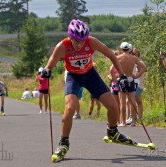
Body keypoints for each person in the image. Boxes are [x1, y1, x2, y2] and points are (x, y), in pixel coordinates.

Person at [41, 19, 135, 162]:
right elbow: (52, 61)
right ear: (70, 38)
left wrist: (121, 74)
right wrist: (47, 70)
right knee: (70, 108)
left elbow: (111, 55)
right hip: (73, 77)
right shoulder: (63, 46)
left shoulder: (91, 42)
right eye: (77, 41)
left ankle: (112, 132)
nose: (80, 44)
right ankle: (63, 143)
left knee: (112, 106)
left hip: (90, 75)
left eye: (82, 40)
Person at [113, 42, 147, 127]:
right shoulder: (134, 58)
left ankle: (123, 122)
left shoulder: (118, 58)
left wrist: (115, 80)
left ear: (121, 49)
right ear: (129, 49)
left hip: (122, 80)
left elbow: (111, 69)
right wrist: (137, 76)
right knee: (132, 102)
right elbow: (144, 68)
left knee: (123, 102)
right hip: (131, 80)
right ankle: (133, 122)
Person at [126, 48, 147, 125]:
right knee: (139, 102)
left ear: (137, 54)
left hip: (138, 84)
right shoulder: (135, 61)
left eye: (133, 54)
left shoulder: (139, 62)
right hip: (136, 84)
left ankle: (132, 117)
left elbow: (141, 70)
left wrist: (135, 75)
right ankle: (139, 118)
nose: (132, 55)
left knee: (130, 101)